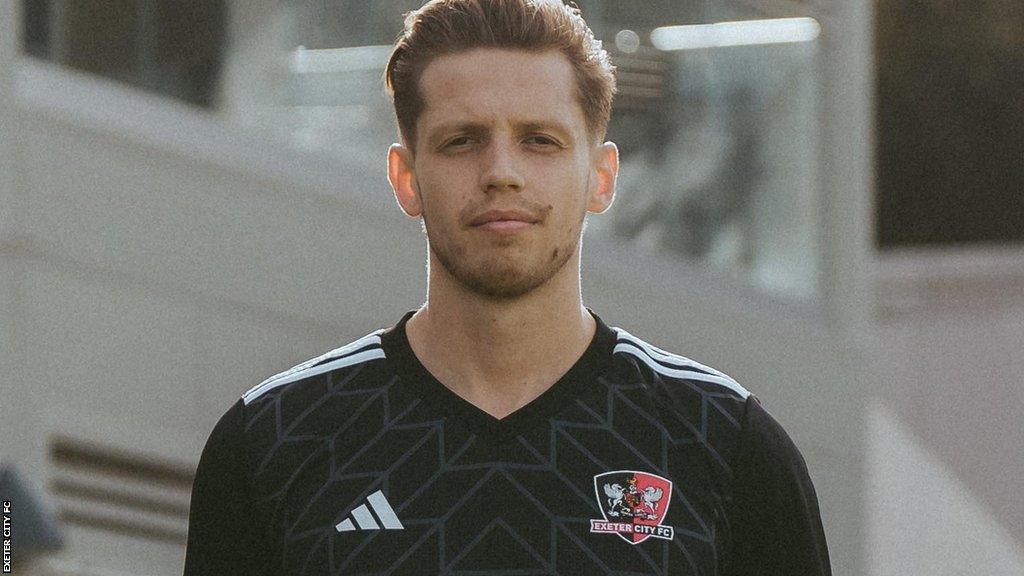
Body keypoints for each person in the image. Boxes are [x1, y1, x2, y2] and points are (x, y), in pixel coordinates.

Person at [183, 0, 832, 574]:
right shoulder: (276, 442)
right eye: (462, 141)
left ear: (602, 177)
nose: (502, 172)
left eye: (540, 140)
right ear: (406, 178)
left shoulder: (725, 448)